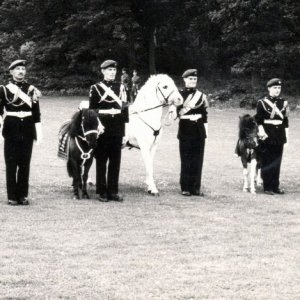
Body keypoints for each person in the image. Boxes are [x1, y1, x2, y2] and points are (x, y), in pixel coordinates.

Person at [0, 59, 43, 205]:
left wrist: (38, 131)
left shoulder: (32, 89)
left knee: (25, 163)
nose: (20, 71)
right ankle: (12, 196)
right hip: (11, 128)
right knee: (11, 163)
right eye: (17, 69)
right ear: (11, 72)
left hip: (27, 129)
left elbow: (36, 113)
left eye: (23, 69)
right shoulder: (4, 89)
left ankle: (23, 195)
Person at [89, 59, 128, 202]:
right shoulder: (96, 88)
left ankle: (113, 191)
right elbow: (92, 110)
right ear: (103, 71)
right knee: (101, 160)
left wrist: (125, 133)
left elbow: (125, 111)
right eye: (109, 70)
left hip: (117, 127)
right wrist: (97, 125)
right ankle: (101, 191)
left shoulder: (122, 88)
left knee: (115, 161)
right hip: (102, 127)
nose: (112, 73)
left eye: (114, 70)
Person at [174, 69, 208, 197]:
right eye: (190, 79)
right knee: (186, 159)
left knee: (198, 159)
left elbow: (205, 115)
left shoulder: (202, 95)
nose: (193, 81)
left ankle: (196, 187)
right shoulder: (179, 94)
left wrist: (206, 132)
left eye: (194, 79)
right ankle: (186, 187)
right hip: (185, 129)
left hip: (199, 130)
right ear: (185, 80)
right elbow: (175, 112)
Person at [255, 78, 289, 195]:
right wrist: (261, 132)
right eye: (275, 88)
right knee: (267, 160)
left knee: (277, 160)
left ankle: (275, 186)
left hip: (279, 134)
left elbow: (285, 121)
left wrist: (287, 137)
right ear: (269, 88)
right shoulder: (262, 102)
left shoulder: (283, 102)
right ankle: (267, 186)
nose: (277, 90)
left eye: (279, 88)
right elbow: (258, 120)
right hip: (267, 133)